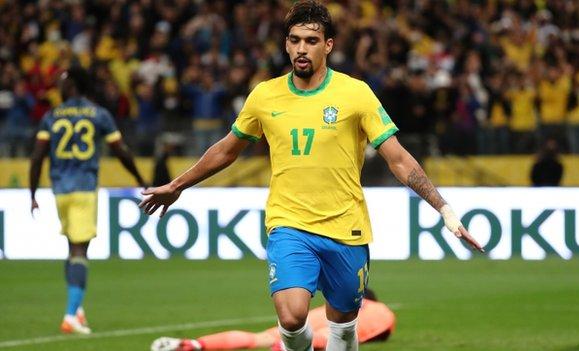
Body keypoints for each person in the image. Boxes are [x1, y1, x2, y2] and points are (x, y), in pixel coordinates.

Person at [139, 2, 484, 350]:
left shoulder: (355, 94)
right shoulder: (264, 95)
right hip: (289, 223)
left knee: (343, 324)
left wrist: (443, 208)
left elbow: (398, 159)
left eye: (311, 40)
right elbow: (227, 149)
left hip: (346, 228)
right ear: (286, 44)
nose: (301, 48)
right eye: (294, 40)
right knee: (291, 318)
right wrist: (177, 185)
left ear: (328, 45)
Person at [29, 66, 146, 334]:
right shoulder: (98, 114)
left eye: (62, 80)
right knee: (80, 251)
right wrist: (140, 179)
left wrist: (33, 193)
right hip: (84, 188)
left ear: (73, 85)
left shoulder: (52, 116)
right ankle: (70, 315)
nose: (58, 85)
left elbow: (37, 156)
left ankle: (77, 309)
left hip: (59, 189)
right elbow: (120, 151)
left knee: (72, 247)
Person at [150, 289, 395, 351]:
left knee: (263, 336)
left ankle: (196, 344)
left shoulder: (325, 307)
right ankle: (281, 348)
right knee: (331, 336)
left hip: (323, 311)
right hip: (347, 317)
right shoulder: (381, 310)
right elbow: (385, 331)